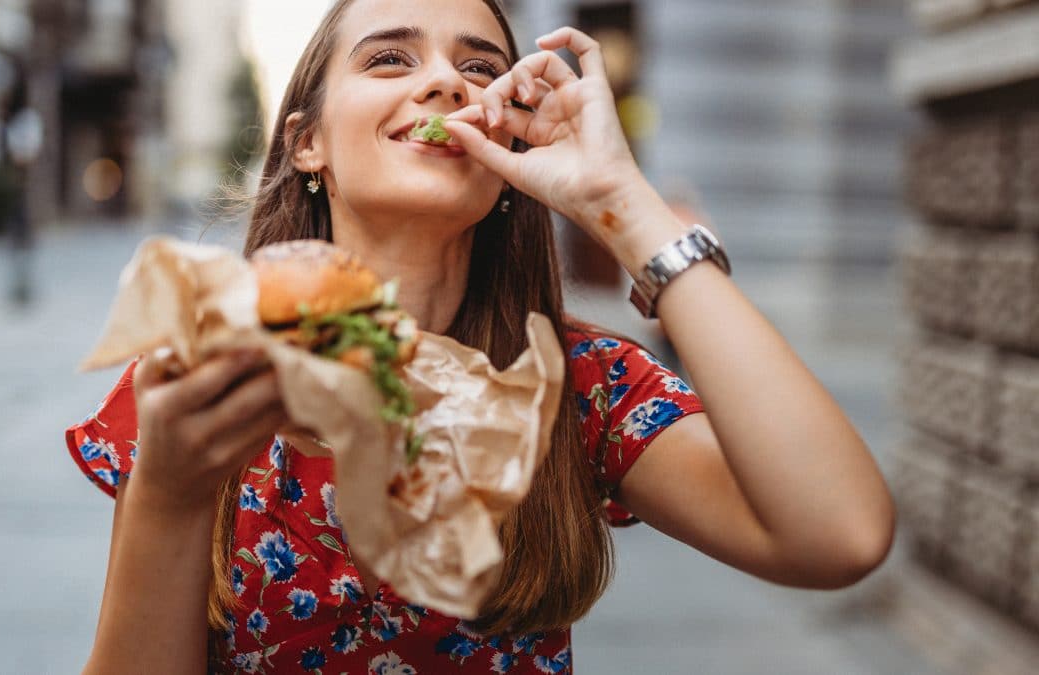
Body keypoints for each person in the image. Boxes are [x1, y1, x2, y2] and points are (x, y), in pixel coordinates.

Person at [66, 1, 896, 672]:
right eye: (390, 58)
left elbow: (840, 534)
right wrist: (170, 495)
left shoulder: (579, 385)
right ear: (307, 142)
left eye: (479, 70)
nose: (444, 84)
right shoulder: (199, 371)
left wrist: (622, 201)